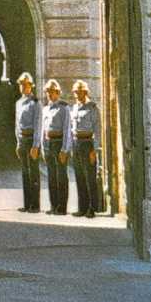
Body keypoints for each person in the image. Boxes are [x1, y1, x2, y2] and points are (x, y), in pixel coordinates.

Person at [68, 80, 102, 218]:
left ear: (86, 92)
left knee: (90, 177)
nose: (77, 95)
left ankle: (91, 208)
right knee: (79, 177)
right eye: (75, 92)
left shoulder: (92, 108)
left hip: (88, 143)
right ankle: (81, 208)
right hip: (76, 144)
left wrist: (94, 149)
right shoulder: (74, 108)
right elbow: (72, 129)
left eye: (79, 92)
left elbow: (97, 130)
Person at [40, 79, 70, 215]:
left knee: (61, 176)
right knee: (51, 176)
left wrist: (64, 149)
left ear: (58, 92)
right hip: (48, 144)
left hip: (59, 143)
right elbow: (43, 130)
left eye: (52, 92)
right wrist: (42, 147)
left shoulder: (64, 108)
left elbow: (67, 129)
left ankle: (62, 207)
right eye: (47, 92)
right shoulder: (45, 109)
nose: (49, 94)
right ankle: (53, 206)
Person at [13, 72, 41, 212]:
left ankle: (35, 205)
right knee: (25, 172)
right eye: (22, 85)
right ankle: (27, 203)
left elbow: (38, 125)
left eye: (26, 85)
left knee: (33, 172)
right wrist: (18, 143)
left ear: (31, 86)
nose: (24, 87)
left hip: (31, 140)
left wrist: (36, 145)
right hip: (23, 139)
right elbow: (17, 125)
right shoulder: (18, 103)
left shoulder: (35, 103)